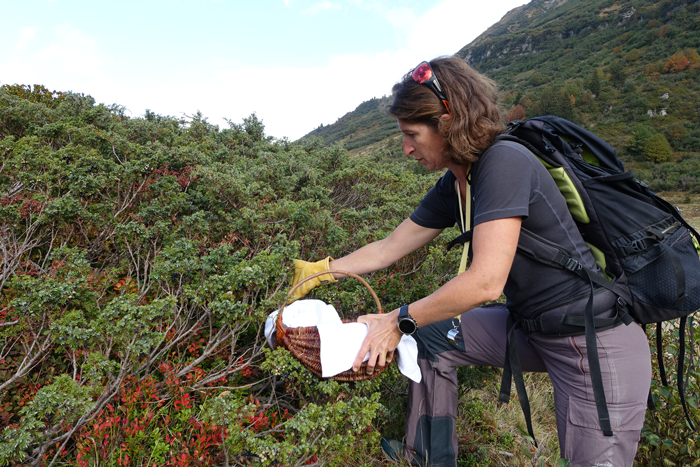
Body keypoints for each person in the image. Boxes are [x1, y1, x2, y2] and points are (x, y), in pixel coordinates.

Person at [290, 56, 651, 467]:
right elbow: (388, 248)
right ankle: (428, 456)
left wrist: (396, 320)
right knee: (428, 338)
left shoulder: (504, 162)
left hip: (593, 342)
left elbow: (486, 283)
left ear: (447, 123)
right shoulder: (457, 182)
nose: (406, 149)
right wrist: (324, 269)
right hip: (530, 328)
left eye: (412, 134)